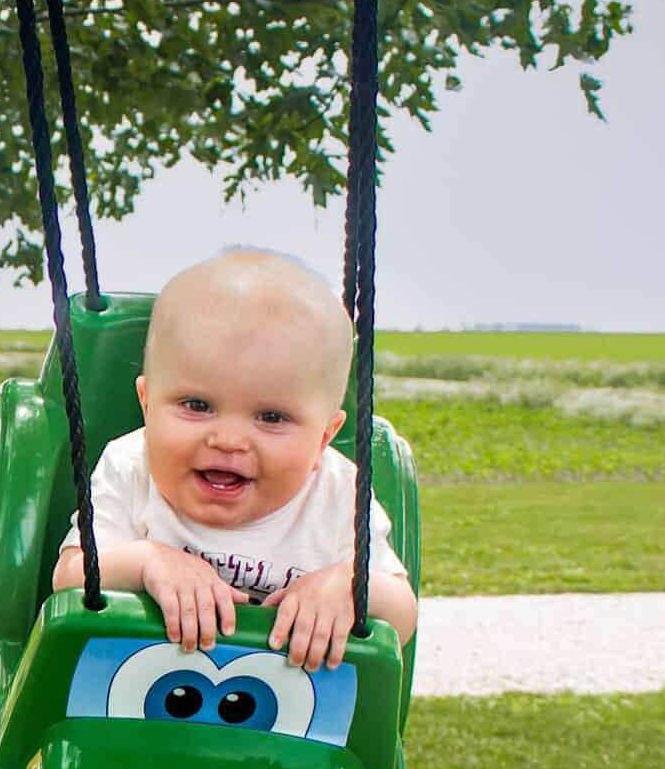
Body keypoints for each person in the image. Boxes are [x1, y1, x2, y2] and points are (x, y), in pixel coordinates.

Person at [52, 248, 419, 672]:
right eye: (197, 405)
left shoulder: (339, 493)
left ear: (324, 439)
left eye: (271, 417)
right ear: (147, 402)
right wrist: (150, 561)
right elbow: (70, 576)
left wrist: (346, 586)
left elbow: (403, 614)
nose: (228, 440)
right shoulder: (130, 464)